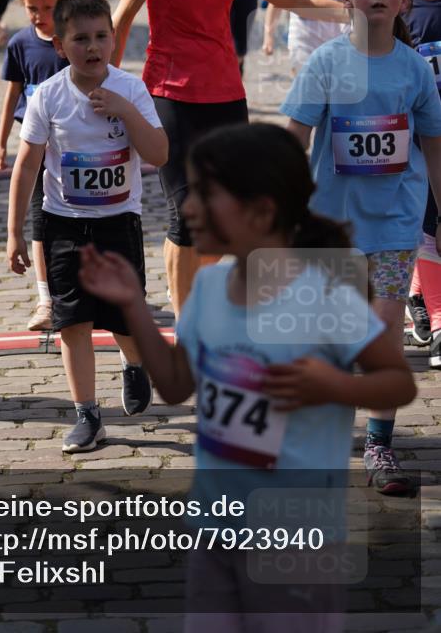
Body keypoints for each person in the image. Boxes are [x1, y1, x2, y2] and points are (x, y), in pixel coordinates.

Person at [79, 122, 416, 629]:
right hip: (215, 530)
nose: (188, 206)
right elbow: (175, 386)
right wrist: (135, 310)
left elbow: (398, 381)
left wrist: (335, 387)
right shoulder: (210, 285)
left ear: (261, 211)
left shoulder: (322, 295)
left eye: (207, 194)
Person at [111, 0, 348, 314]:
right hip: (171, 92)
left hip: (225, 93)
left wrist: (354, 15)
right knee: (187, 210)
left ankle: (196, 294)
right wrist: (107, 88)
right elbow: (122, 20)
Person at [282, 0, 441, 494]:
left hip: (395, 224)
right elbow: (295, 137)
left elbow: (434, 147)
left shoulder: (416, 71)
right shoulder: (326, 63)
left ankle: (379, 443)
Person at [6, 0, 168, 453]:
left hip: (119, 223)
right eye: (80, 39)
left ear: (114, 40)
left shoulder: (131, 89)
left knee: (123, 320)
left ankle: (134, 363)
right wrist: (14, 231)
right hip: (64, 224)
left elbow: (159, 153)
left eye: (102, 37)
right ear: (59, 46)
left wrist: (126, 112)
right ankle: (88, 415)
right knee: (72, 322)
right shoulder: (49, 97)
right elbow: (27, 166)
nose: (93, 47)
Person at [0, 0, 68, 332]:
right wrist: (2, 138)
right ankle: (45, 299)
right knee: (41, 222)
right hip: (35, 145)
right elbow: (12, 94)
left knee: (78, 217)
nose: (41, 17)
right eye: (33, 9)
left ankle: (83, 288)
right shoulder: (20, 44)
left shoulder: (75, 41)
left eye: (49, 8)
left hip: (74, 146)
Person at [403, 0, 441, 366]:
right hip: (415, 138)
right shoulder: (403, 5)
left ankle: (419, 295)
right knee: (427, 226)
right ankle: (436, 315)